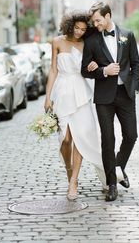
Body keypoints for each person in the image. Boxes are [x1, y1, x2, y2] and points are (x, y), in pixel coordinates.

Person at [81, 2, 139, 202]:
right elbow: (84, 70)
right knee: (108, 139)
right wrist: (103, 71)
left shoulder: (128, 35)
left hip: (125, 94)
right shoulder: (91, 41)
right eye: (94, 21)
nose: (96, 24)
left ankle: (118, 168)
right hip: (104, 97)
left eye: (98, 20)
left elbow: (136, 64)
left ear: (108, 16)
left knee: (131, 135)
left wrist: (134, 87)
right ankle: (112, 185)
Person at [44, 11, 105, 200]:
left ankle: (74, 181)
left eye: (83, 29)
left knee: (79, 137)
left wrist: (94, 65)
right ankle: (69, 170)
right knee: (65, 139)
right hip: (62, 92)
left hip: (81, 93)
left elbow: (94, 64)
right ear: (70, 26)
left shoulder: (87, 43)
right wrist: (47, 97)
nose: (79, 32)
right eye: (77, 28)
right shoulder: (56, 42)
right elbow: (53, 70)